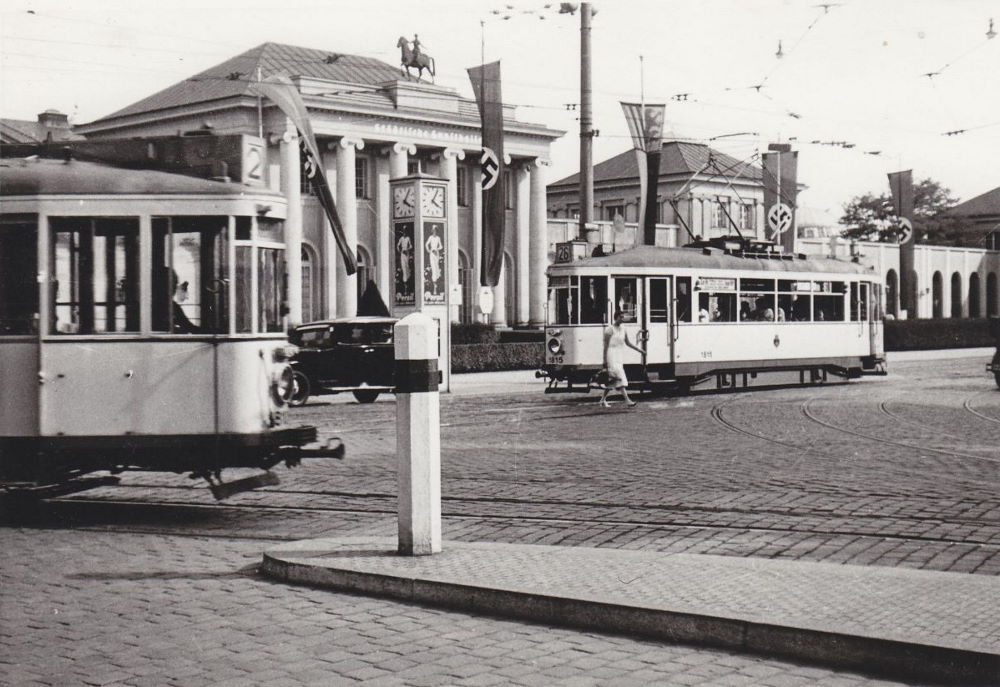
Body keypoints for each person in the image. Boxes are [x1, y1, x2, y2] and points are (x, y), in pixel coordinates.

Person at [599, 309, 645, 408]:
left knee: (613, 379)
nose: (623, 319)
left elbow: (628, 343)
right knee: (619, 377)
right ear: (616, 317)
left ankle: (602, 400)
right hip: (611, 354)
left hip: (619, 355)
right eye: (621, 317)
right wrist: (604, 360)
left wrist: (639, 350)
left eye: (623, 317)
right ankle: (627, 400)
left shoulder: (624, 328)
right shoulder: (609, 330)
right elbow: (605, 346)